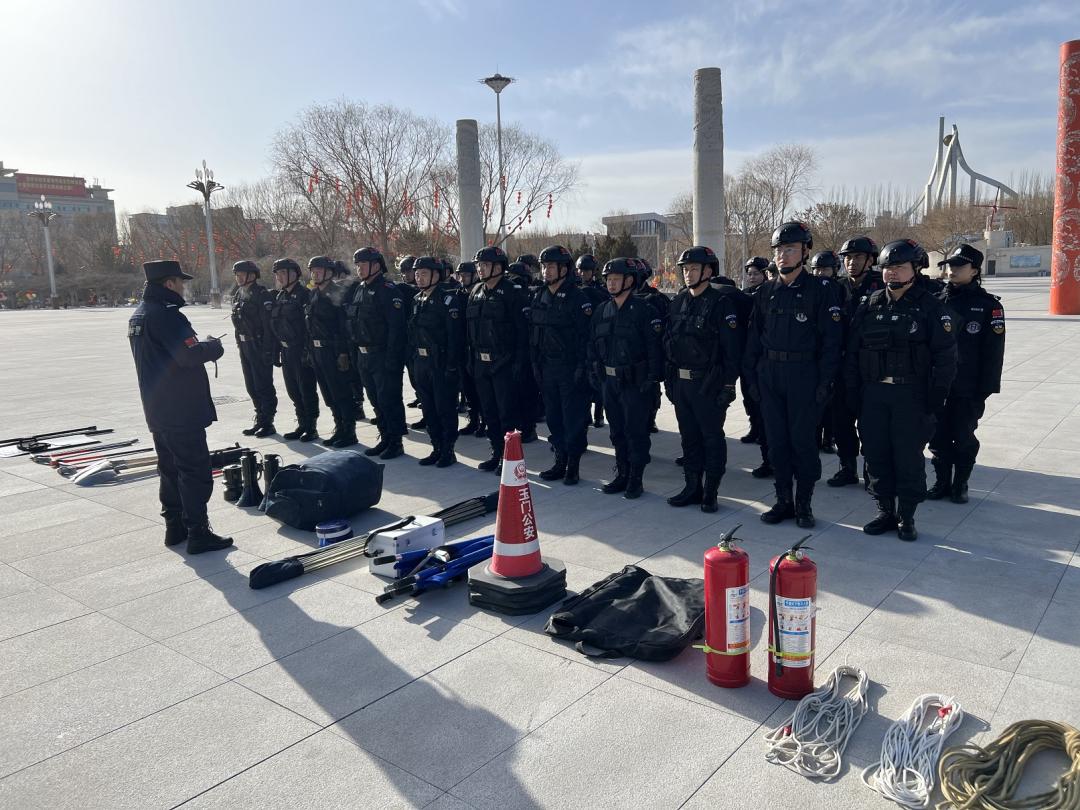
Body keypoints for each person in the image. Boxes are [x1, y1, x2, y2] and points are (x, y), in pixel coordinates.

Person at [846, 239, 958, 541]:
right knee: (875, 454)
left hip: (912, 396)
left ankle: (906, 516)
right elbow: (854, 353)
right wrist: (853, 393)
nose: (891, 273)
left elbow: (946, 358)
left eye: (898, 267)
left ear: (916, 268)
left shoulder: (931, 307)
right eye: (887, 268)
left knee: (907, 457)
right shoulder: (870, 305)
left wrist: (937, 396)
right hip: (874, 395)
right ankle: (884, 510)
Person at [127, 260, 232, 553]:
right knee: (194, 470)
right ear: (169, 283)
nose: (183, 287)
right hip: (181, 408)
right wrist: (213, 347)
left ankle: (174, 527)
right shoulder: (168, 316)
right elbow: (187, 356)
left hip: (158, 406)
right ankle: (198, 532)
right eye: (180, 282)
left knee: (170, 468)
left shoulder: (140, 314)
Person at [745, 222, 843, 528]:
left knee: (802, 442)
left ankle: (804, 504)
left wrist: (826, 382)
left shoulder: (821, 291)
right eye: (778, 250)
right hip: (770, 376)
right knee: (776, 442)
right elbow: (753, 340)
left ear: (805, 252)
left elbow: (832, 342)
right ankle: (783, 500)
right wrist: (753, 381)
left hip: (805, 375)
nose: (782, 256)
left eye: (789, 249)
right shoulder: (765, 292)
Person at [665, 246, 745, 512]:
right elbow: (669, 343)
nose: (688, 274)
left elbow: (731, 351)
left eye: (694, 268)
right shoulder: (678, 302)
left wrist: (728, 384)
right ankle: (691, 487)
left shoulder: (722, 304)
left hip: (708, 384)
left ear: (709, 271)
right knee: (689, 438)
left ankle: (710, 491)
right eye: (685, 269)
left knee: (711, 438)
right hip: (682, 382)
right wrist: (670, 380)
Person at [928, 244, 1005, 504]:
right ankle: (941, 482)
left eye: (959, 265)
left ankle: (960, 484)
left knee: (962, 436)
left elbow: (994, 353)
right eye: (950, 265)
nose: (952, 270)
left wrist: (985, 389)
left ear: (975, 270)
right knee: (937, 437)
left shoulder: (988, 306)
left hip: (968, 387)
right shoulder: (936, 300)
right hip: (938, 384)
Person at [590, 257, 665, 499]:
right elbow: (592, 346)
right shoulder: (602, 310)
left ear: (629, 281)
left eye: (615, 279)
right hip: (609, 382)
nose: (611, 284)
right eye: (608, 280)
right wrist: (595, 374)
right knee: (617, 431)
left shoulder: (644, 310)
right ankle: (621, 473)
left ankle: (636, 477)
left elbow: (655, 349)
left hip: (635, 383)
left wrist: (652, 379)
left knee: (636, 432)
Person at [530, 245, 594, 485]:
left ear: (564, 269)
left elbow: (585, 337)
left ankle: (573, 466)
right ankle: (559, 461)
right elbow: (534, 333)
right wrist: (535, 363)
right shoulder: (540, 295)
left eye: (550, 266)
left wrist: (582, 368)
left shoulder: (578, 299)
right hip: (547, 368)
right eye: (543, 266)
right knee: (554, 418)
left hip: (570, 369)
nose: (546, 271)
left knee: (573, 419)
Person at [467, 246, 531, 471]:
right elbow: (470, 328)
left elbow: (523, 332)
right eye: (479, 265)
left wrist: (518, 363)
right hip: (480, 362)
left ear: (498, 267)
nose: (480, 269)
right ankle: (496, 452)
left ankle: (509, 457)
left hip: (504, 362)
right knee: (489, 411)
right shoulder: (476, 291)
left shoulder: (513, 291)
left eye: (484, 265)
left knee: (507, 414)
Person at [828, 236, 885, 487]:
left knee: (870, 425)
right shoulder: (835, 288)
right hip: (841, 368)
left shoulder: (881, 288)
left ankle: (872, 471)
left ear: (870, 260)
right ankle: (846, 467)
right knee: (841, 421)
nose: (851, 262)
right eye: (847, 258)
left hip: (870, 368)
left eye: (858, 257)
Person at [345, 246, 407, 460]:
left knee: (388, 399)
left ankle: (396, 441)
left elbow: (396, 329)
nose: (359, 268)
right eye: (358, 264)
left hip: (382, 355)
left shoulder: (388, 290)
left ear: (376, 265)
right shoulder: (359, 289)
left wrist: (392, 359)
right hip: (364, 356)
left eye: (362, 264)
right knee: (375, 400)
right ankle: (385, 436)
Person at [408, 256, 467, 467]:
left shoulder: (447, 300)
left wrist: (452, 366)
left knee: (445, 408)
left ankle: (448, 449)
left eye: (424, 273)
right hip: (422, 363)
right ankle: (436, 446)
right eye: (417, 274)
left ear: (436, 275)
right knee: (428, 408)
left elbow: (455, 337)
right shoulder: (417, 299)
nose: (419, 278)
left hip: (441, 363)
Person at [305, 256, 356, 447]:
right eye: (313, 271)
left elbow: (343, 326)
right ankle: (339, 427)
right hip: (317, 350)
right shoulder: (313, 293)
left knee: (340, 391)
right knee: (328, 392)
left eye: (318, 271)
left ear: (329, 272)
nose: (315, 274)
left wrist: (343, 353)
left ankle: (349, 431)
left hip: (333, 350)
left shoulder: (337, 293)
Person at [269, 258, 320, 441]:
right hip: (286, 351)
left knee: (306, 389)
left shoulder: (305, 295)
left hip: (301, 350)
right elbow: (275, 326)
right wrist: (276, 351)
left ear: (294, 274)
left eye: (283, 273)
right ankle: (302, 423)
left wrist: (308, 352)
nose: (279, 277)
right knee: (293, 390)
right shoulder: (280, 296)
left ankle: (311, 426)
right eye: (277, 274)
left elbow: (310, 327)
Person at [230, 260, 277, 438]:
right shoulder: (239, 294)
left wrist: (267, 350)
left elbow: (267, 326)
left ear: (252, 275)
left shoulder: (261, 295)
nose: (238, 278)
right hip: (245, 345)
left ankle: (268, 422)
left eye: (241, 274)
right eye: (237, 275)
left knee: (263, 384)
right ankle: (260, 417)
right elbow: (237, 322)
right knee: (251, 385)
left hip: (258, 345)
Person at [810, 250, 845, 455]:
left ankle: (828, 438)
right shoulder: (810, 289)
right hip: (813, 354)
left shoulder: (839, 288)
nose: (820, 273)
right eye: (816, 269)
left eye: (824, 269)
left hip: (833, 353)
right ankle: (814, 438)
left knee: (831, 404)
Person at [633, 259, 670, 434]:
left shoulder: (656, 298)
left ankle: (650, 418)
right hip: (628, 356)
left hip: (650, 355)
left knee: (652, 390)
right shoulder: (619, 298)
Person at [576, 253, 610, 428]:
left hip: (596, 338)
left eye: (586, 271)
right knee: (582, 380)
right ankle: (586, 414)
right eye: (581, 271)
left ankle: (599, 414)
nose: (583, 274)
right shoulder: (574, 289)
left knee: (597, 377)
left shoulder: (600, 290)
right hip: (579, 339)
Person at [333, 259, 367, 423]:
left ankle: (358, 404)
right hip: (343, 340)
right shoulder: (335, 291)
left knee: (357, 375)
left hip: (356, 339)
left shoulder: (356, 289)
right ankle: (355, 404)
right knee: (348, 375)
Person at [454, 261, 484, 437]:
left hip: (477, 348)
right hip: (463, 349)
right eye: (460, 275)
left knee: (481, 389)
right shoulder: (457, 295)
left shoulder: (480, 293)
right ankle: (473, 420)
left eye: (465, 275)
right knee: (468, 389)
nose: (462, 278)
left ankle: (484, 421)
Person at [398, 255, 422, 412]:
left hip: (422, 340)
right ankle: (419, 396)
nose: (406, 275)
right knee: (413, 374)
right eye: (403, 272)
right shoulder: (403, 288)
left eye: (408, 272)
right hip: (408, 339)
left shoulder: (422, 288)